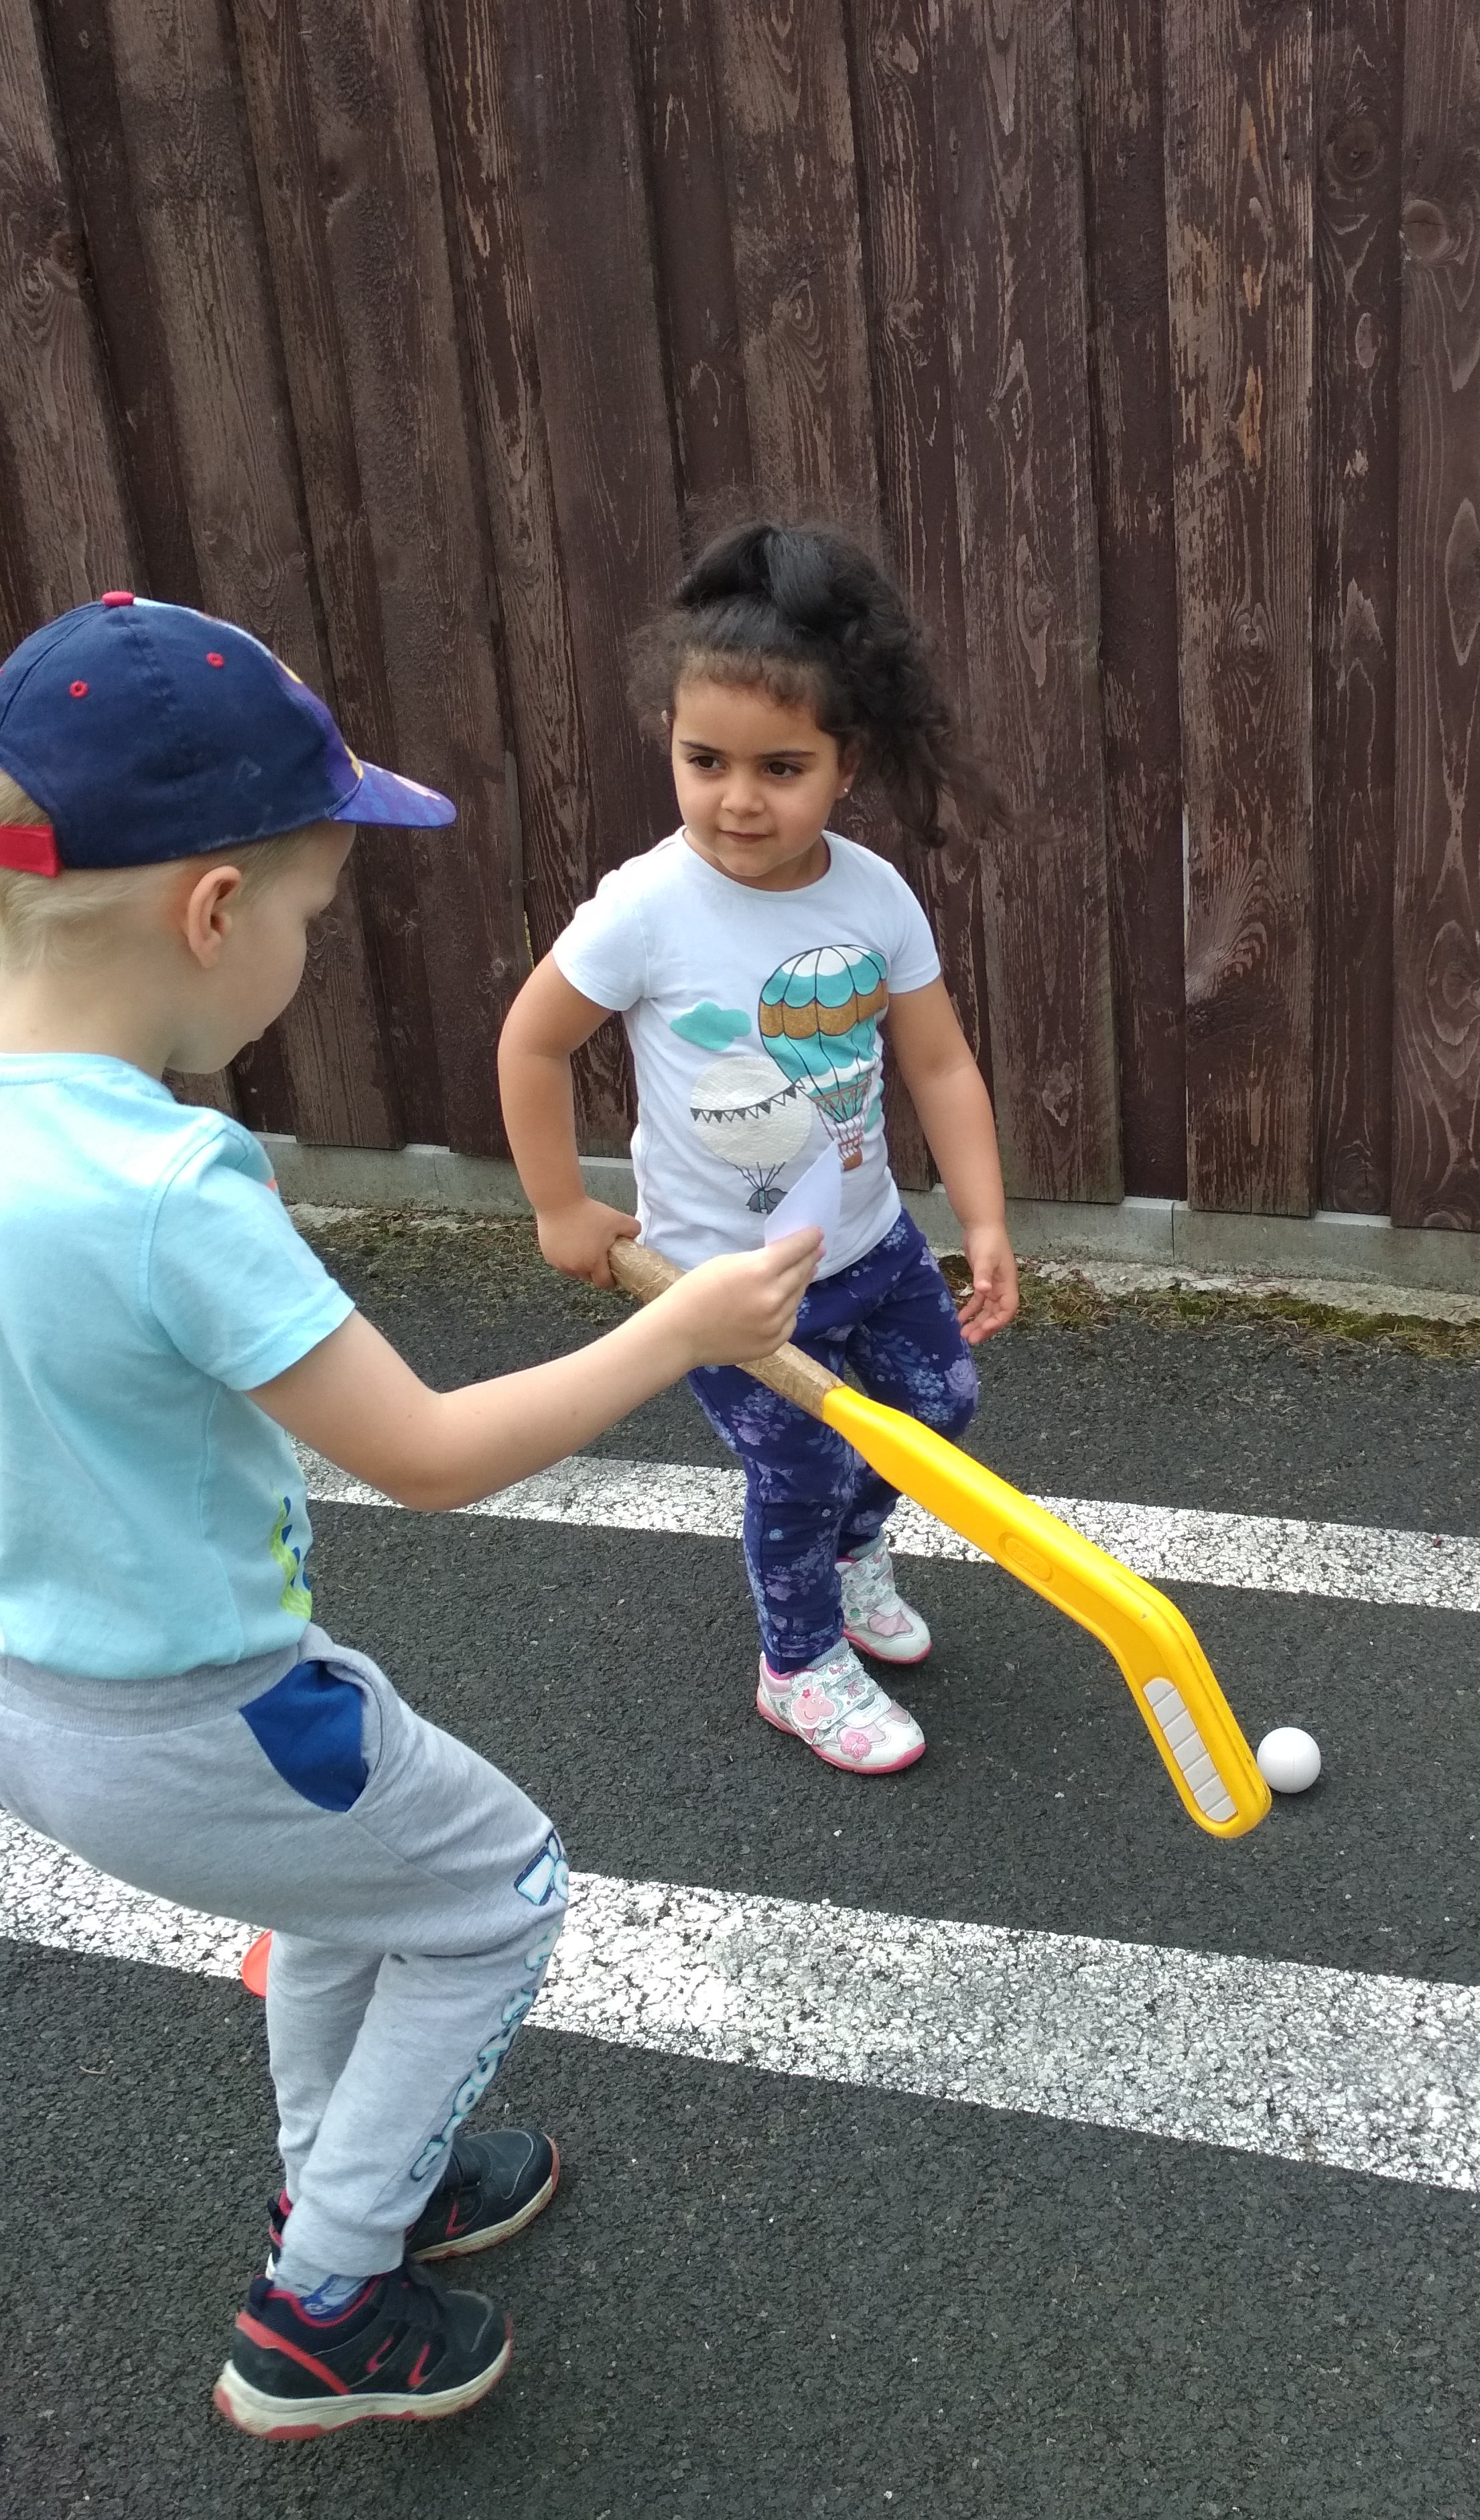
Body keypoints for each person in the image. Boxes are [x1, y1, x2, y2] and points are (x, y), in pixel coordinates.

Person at [0, 593, 819, 2438]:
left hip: (40, 1710)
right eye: (308, 915)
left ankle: (350, 2181)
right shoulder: (168, 1183)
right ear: (213, 911)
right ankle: (323, 2303)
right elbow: (431, 1454)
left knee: (353, 1898)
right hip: (213, 1712)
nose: (302, 950)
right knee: (498, 1888)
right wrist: (684, 1328)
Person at [498, 520, 1019, 1778]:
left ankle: (852, 1554)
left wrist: (983, 1217)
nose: (738, 798)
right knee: (798, 1463)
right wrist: (561, 1206)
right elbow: (531, 1042)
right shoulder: (645, 908)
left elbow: (939, 1063)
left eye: (781, 767)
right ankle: (797, 1662)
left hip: (871, 1242)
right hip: (722, 1282)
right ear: (669, 741)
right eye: (705, 760)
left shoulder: (873, 893)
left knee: (938, 1406)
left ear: (849, 763)